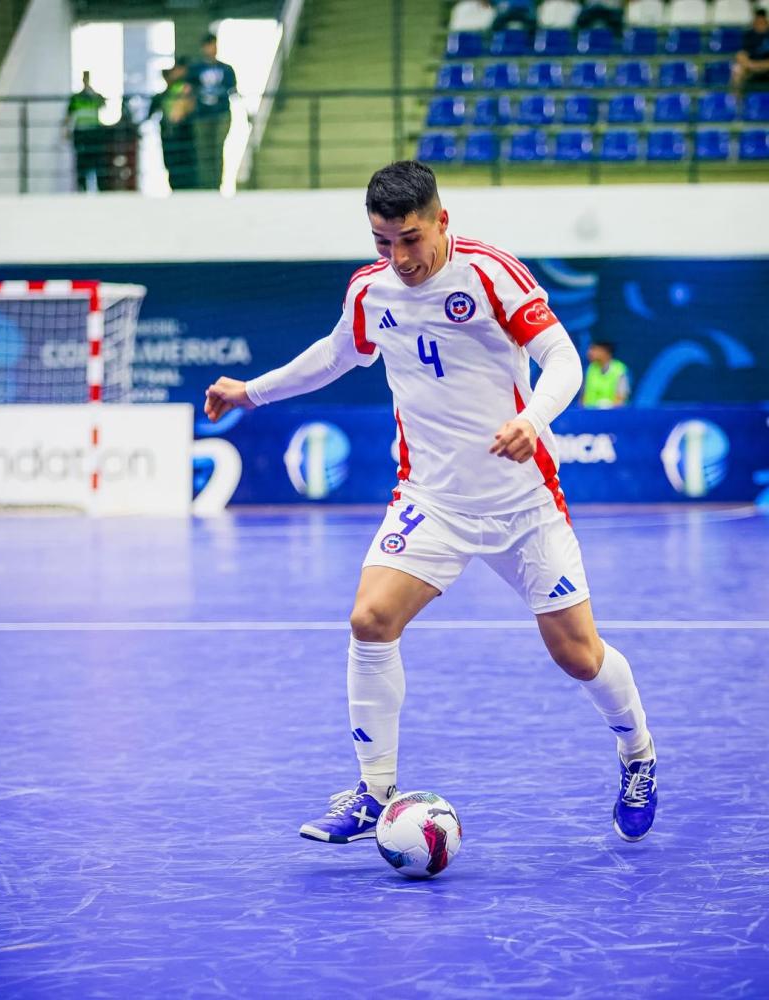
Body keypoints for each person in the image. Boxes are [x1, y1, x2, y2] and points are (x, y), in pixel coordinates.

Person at [204, 161, 657, 846]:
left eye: (410, 239)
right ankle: (373, 791)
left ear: (442, 221)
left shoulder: (489, 274)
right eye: (383, 242)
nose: (399, 258)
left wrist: (533, 420)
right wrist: (252, 391)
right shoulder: (371, 290)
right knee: (370, 618)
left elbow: (564, 359)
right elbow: (333, 356)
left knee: (577, 653)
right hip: (432, 501)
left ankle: (638, 753)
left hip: (523, 502)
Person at [187, 32, 237, 190]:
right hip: (201, 115)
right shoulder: (195, 69)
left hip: (221, 113)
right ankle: (205, 185)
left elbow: (233, 91)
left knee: (217, 149)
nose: (212, 49)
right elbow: (188, 90)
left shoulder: (226, 69)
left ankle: (217, 184)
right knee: (203, 150)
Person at [148, 60, 197, 191]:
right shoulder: (163, 95)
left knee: (184, 164)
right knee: (171, 165)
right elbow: (151, 111)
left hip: (182, 134)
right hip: (168, 135)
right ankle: (175, 188)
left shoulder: (184, 88)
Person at [65, 71, 106, 192]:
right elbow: (69, 115)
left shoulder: (94, 96)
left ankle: (100, 188)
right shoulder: (76, 98)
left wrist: (91, 92)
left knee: (97, 163)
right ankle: (82, 188)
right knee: (82, 164)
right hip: (81, 133)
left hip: (94, 133)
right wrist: (66, 131)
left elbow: (103, 104)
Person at [581, 340, 630, 408]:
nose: (589, 352)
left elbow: (621, 399)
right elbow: (583, 398)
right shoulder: (590, 369)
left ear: (605, 351)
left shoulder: (619, 369)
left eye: (594, 349)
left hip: (611, 415)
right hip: (589, 414)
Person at [732, 9, 769, 90]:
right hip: (751, 68)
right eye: (757, 20)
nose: (759, 22)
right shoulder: (748, 35)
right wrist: (750, 65)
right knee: (737, 70)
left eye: (762, 20)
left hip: (766, 67)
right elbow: (741, 55)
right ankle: (737, 102)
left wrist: (758, 65)